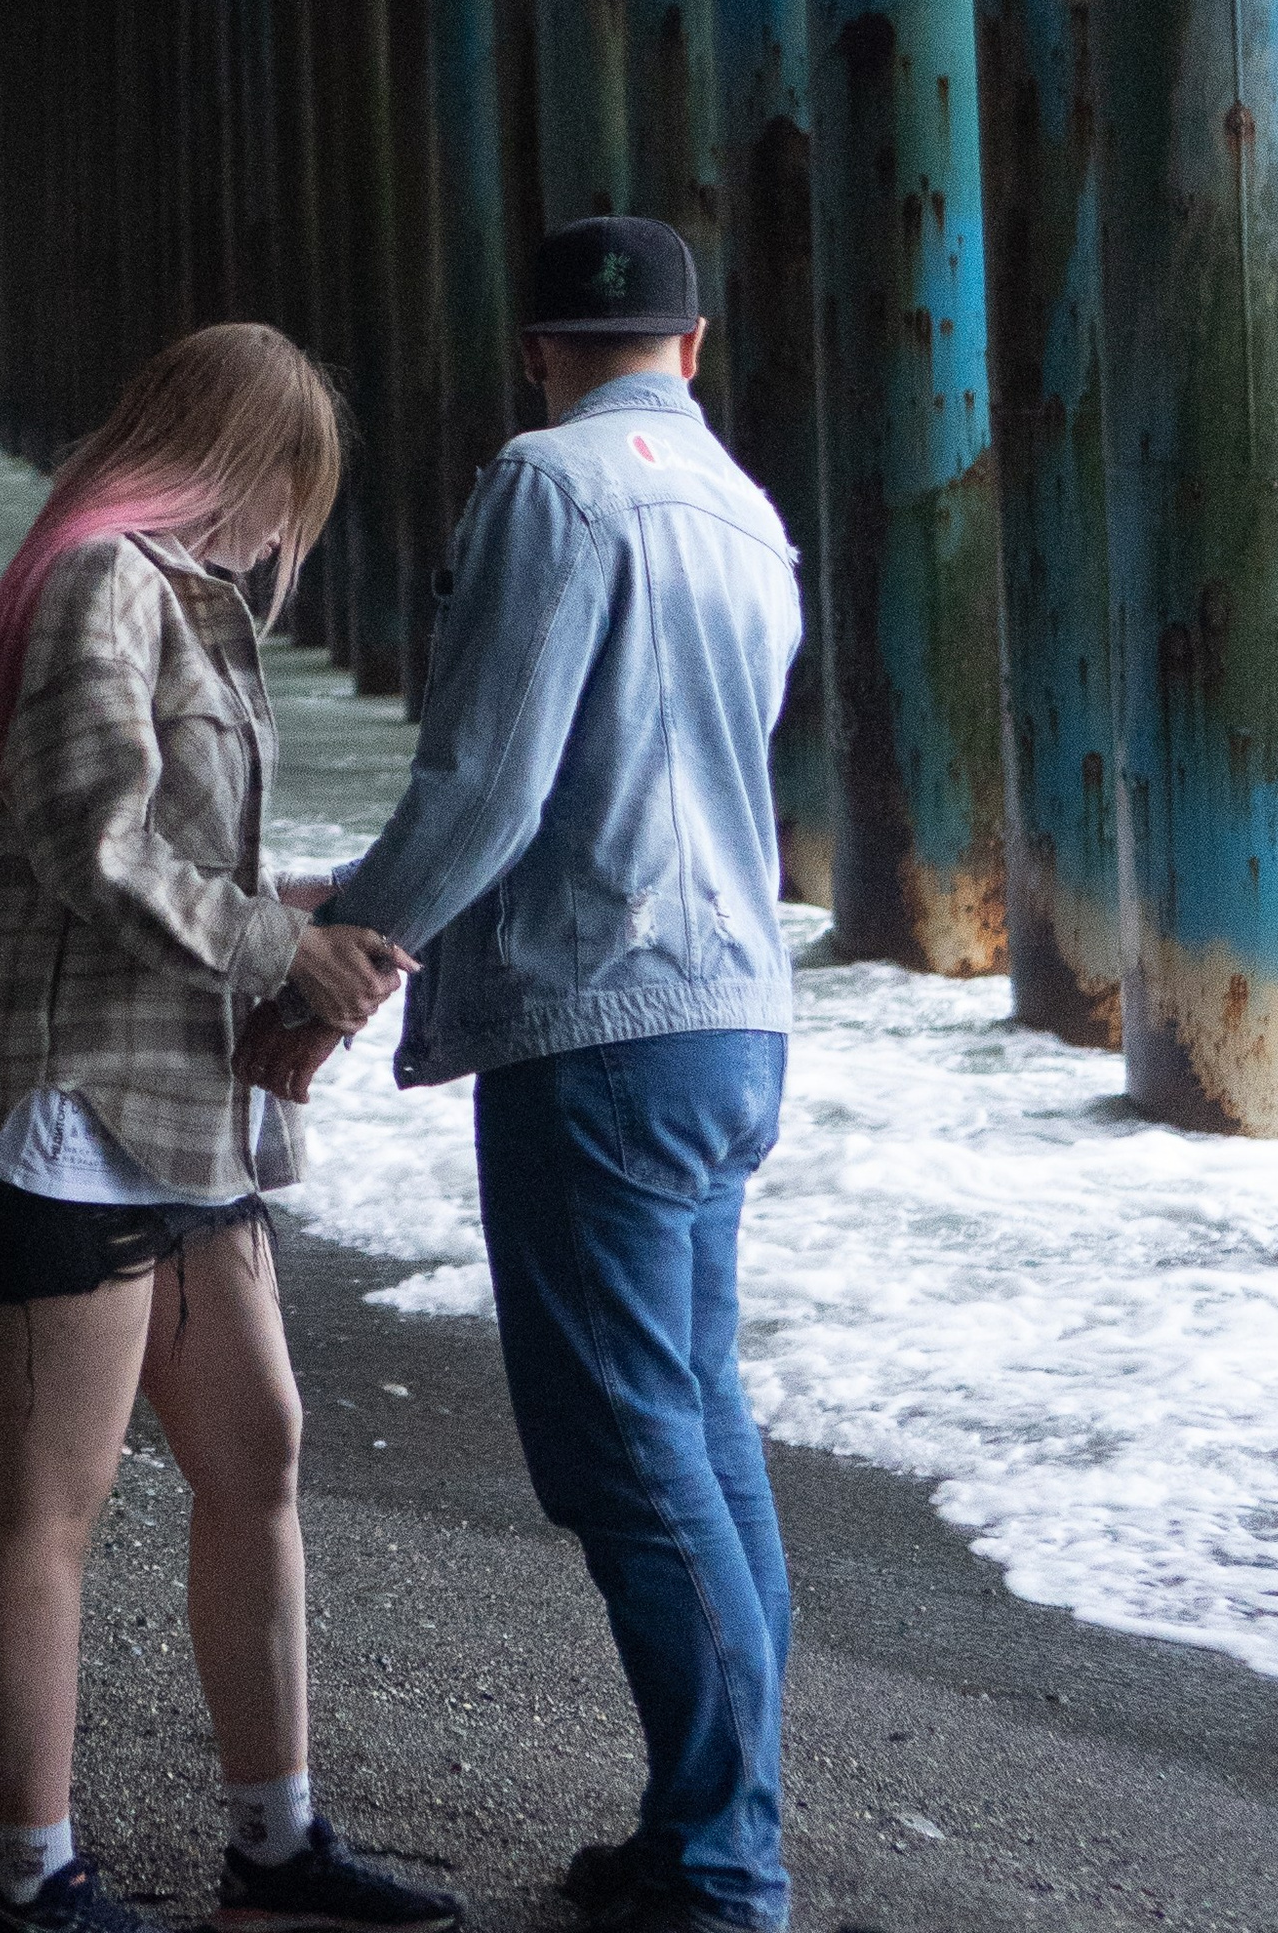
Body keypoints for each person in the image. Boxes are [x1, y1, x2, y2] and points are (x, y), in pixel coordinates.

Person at [249, 220, 802, 1933]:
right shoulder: (745, 513)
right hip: (736, 1023)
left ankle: (724, 1866)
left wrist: (335, 980)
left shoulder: (551, 489)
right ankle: (702, 1833)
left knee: (627, 1458)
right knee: (700, 1435)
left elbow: (494, 781)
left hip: (603, 1026)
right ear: (691, 349)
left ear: (536, 347)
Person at [0, 320, 469, 1933]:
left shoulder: (175, 601)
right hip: (66, 1106)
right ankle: (35, 1886)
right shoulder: (102, 587)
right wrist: (273, 946)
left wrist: (297, 905)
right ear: (246, 466)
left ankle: (276, 1853)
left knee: (260, 1455)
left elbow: (158, 851)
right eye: (294, 489)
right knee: (51, 1510)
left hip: (185, 1115)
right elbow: (91, 849)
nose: (294, 532)